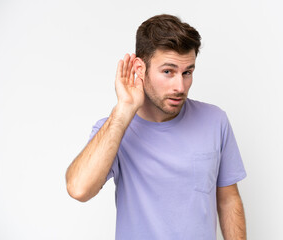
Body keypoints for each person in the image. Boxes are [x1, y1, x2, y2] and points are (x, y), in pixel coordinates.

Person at [66, 14, 247, 240]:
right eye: (168, 72)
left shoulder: (215, 120)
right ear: (140, 69)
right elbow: (79, 189)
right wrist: (124, 109)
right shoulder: (115, 128)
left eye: (187, 72)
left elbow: (228, 199)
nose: (180, 86)